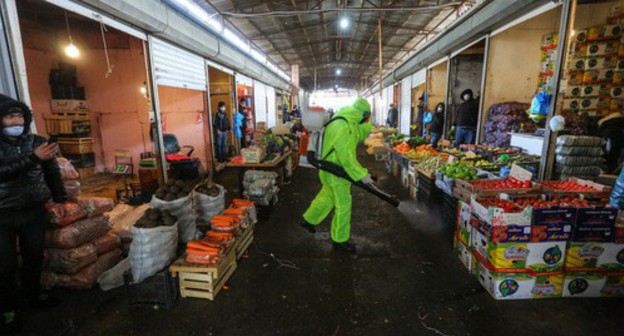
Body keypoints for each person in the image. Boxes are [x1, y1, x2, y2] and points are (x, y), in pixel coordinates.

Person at [0, 95, 67, 334]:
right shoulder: (31, 150)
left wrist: (60, 199)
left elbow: (52, 171)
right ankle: (7, 310)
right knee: (4, 266)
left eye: (19, 115)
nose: (16, 120)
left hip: (33, 211)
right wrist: (33, 158)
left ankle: (33, 296)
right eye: (9, 116)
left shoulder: (36, 141)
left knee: (34, 256)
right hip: (3, 214)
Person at [300, 97, 374, 253]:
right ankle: (340, 240)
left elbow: (359, 134)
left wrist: (367, 125)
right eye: (367, 117)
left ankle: (309, 220)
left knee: (327, 196)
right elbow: (345, 156)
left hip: (328, 170)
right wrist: (361, 175)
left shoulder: (342, 121)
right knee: (343, 205)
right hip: (337, 172)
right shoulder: (343, 126)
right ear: (362, 114)